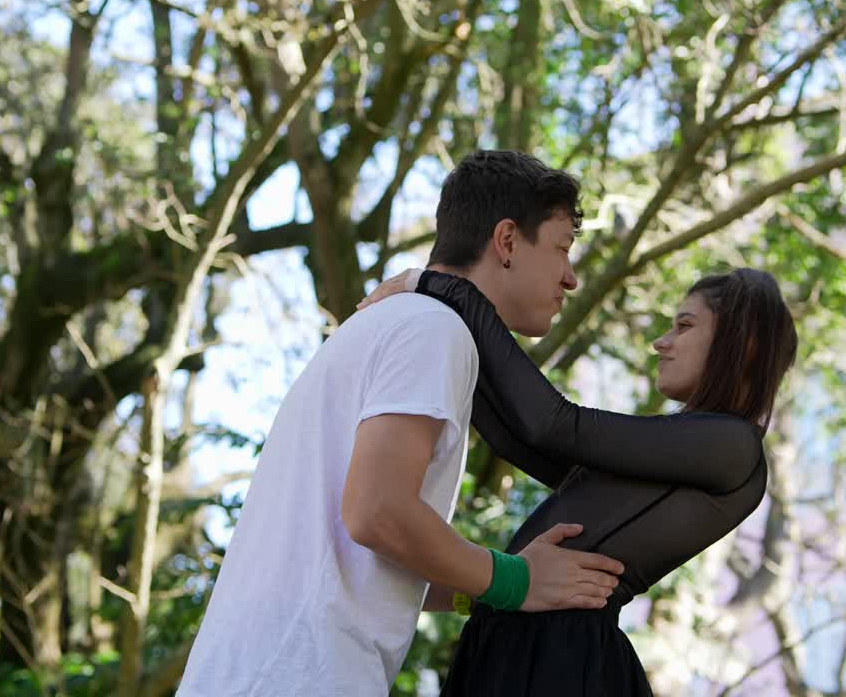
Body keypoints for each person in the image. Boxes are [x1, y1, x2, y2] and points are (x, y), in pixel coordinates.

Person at [177, 151, 625, 697]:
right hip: (297, 675)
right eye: (562, 248)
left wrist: (487, 585)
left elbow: (364, 555)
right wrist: (516, 581)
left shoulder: (396, 324)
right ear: (507, 241)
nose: (571, 278)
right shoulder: (434, 329)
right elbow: (376, 512)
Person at [358, 265, 798, 695]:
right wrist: (450, 326)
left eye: (684, 326)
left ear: (747, 344)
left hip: (562, 659)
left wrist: (440, 285)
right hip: (517, 645)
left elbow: (552, 424)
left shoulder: (732, 444)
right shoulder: (687, 453)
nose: (661, 343)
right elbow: (516, 438)